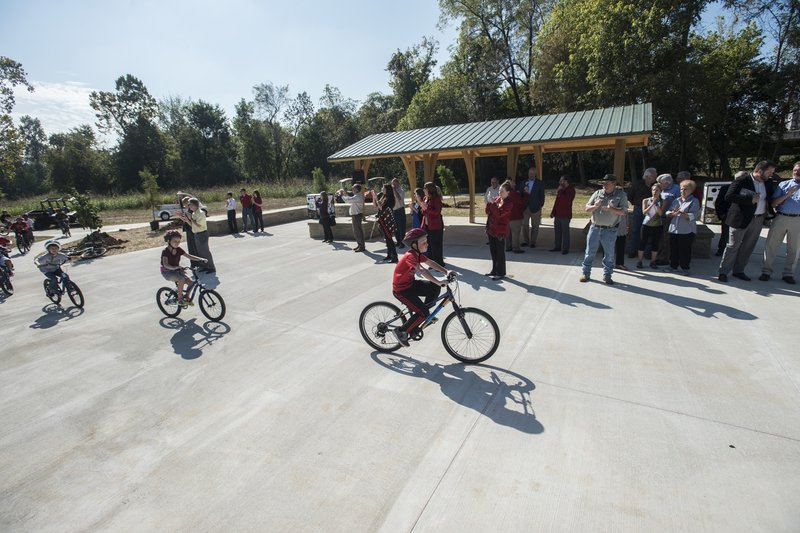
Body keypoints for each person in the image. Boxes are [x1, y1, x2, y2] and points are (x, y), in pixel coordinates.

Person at [391, 228, 454, 347]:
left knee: (434, 287)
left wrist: (446, 271)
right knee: (423, 312)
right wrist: (438, 281)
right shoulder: (410, 255)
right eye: (423, 242)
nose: (427, 244)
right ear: (414, 245)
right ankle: (400, 331)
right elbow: (422, 270)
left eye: (426, 241)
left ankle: (425, 315)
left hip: (410, 285)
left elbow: (430, 263)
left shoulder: (418, 254)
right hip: (401, 290)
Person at [718, 160, 776, 282]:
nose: (771, 175)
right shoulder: (742, 181)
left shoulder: (768, 183)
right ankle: (723, 272)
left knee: (748, 247)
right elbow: (729, 196)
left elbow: (770, 198)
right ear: (760, 171)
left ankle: (739, 270)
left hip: (758, 219)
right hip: (740, 219)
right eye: (769, 172)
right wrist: (750, 200)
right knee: (733, 246)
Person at [580, 174, 627, 285]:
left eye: (607, 183)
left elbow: (623, 212)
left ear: (614, 184)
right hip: (595, 228)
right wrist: (595, 206)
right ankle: (585, 273)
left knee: (609, 254)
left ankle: (607, 275)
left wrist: (612, 208)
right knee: (589, 252)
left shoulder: (621, 195)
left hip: (610, 230)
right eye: (603, 183)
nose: (604, 185)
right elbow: (587, 208)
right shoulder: (597, 194)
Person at [760, 160, 800, 284]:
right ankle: (766, 271)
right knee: (771, 245)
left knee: (794, 248)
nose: (796, 172)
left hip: (798, 219)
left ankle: (788, 274)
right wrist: (788, 194)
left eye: (799, 171)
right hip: (781, 217)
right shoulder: (784, 184)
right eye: (795, 170)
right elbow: (774, 203)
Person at [160, 230, 208, 307]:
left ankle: (186, 297)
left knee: (191, 283)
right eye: (175, 241)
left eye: (179, 241)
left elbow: (189, 256)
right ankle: (180, 300)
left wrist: (201, 259)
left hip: (177, 270)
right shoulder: (165, 251)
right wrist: (175, 267)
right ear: (169, 241)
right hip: (167, 272)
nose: (177, 243)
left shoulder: (178, 249)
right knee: (181, 279)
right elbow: (165, 265)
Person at [665, 179, 700, 275]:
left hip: (686, 230)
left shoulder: (694, 201)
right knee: (673, 249)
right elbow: (668, 212)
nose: (682, 191)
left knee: (684, 250)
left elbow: (693, 216)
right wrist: (671, 213)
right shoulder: (676, 200)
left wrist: (680, 213)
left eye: (685, 189)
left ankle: (685, 268)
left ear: (691, 190)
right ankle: (673, 266)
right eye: (681, 189)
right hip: (674, 229)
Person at [180, 198, 216, 273]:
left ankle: (211, 267)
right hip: (197, 234)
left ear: (195, 205)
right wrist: (186, 220)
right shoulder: (194, 213)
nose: (189, 207)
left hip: (202, 234)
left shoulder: (201, 213)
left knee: (205, 252)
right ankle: (205, 266)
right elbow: (193, 225)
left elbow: (199, 225)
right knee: (200, 252)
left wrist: (191, 219)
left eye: (191, 205)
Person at [627, 168, 657, 257]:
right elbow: (630, 196)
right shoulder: (637, 184)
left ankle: (647, 253)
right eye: (653, 176)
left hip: (651, 210)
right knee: (635, 230)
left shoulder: (655, 186)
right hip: (639, 209)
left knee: (649, 231)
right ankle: (632, 251)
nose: (655, 177)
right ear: (647, 176)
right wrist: (636, 203)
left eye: (655, 176)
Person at [486, 180, 512, 280]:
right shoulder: (497, 199)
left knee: (500, 252)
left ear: (508, 193)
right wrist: (489, 203)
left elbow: (499, 215)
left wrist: (493, 204)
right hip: (492, 229)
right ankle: (494, 270)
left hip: (500, 230)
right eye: (499, 191)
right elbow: (488, 212)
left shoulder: (509, 203)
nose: (499, 193)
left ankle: (500, 272)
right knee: (493, 251)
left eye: (502, 191)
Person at [636, 183, 664, 269]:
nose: (655, 192)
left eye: (657, 190)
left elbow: (660, 213)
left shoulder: (662, 201)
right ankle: (640, 261)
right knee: (642, 242)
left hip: (657, 225)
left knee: (655, 243)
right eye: (653, 190)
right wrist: (651, 204)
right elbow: (644, 212)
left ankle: (653, 261)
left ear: (660, 192)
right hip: (646, 224)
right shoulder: (645, 200)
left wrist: (656, 204)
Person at [655, 174, 679, 265]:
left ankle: (665, 259)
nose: (658, 184)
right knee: (660, 239)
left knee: (666, 239)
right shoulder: (661, 190)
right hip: (660, 217)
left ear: (666, 183)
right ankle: (659, 256)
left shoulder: (677, 189)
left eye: (660, 183)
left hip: (670, 218)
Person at [420, 182, 444, 266]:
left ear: (429, 189)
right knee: (429, 245)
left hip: (435, 225)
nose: (423, 189)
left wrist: (427, 208)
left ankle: (439, 263)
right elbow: (423, 211)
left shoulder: (436, 198)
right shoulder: (425, 198)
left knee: (436, 245)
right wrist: (424, 208)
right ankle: (432, 263)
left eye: (425, 188)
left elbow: (437, 212)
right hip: (427, 225)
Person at [550, 175, 575, 254]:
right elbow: (557, 202)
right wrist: (553, 212)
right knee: (557, 231)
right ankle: (557, 246)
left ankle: (565, 248)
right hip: (558, 214)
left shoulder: (571, 190)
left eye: (561, 180)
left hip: (565, 215)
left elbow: (567, 200)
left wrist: (561, 191)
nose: (560, 182)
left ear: (566, 181)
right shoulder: (560, 190)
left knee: (565, 232)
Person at [521, 167, 545, 247]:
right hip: (525, 208)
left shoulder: (540, 183)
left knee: (535, 226)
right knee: (524, 225)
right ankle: (525, 240)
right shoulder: (523, 182)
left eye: (532, 174)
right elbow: (520, 195)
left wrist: (540, 205)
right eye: (529, 174)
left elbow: (542, 196)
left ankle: (533, 242)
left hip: (536, 208)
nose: (530, 175)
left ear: (535, 174)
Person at [338, 183, 365, 252]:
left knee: (358, 231)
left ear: (356, 189)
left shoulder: (358, 196)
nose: (352, 189)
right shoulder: (356, 196)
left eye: (353, 188)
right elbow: (350, 198)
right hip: (356, 215)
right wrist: (345, 194)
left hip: (357, 215)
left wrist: (342, 195)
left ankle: (361, 246)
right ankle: (359, 245)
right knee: (356, 231)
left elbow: (348, 200)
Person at [377, 184, 399, 263]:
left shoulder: (390, 198)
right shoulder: (384, 196)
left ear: (387, 189)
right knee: (387, 239)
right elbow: (378, 206)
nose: (382, 188)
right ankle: (389, 254)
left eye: (383, 188)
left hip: (388, 220)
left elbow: (383, 208)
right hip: (383, 219)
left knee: (389, 238)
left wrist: (379, 203)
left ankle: (394, 256)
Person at [714, 179, 735, 256]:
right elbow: (718, 202)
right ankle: (721, 250)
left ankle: (733, 252)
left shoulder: (746, 189)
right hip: (727, 215)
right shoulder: (726, 188)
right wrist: (721, 214)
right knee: (725, 234)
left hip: (740, 216)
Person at [506, 177, 527, 253]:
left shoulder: (505, 193)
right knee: (516, 233)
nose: (515, 183)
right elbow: (522, 202)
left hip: (507, 216)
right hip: (515, 216)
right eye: (513, 182)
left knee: (508, 233)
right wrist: (526, 194)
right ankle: (516, 248)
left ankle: (508, 246)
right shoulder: (514, 193)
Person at [391, 178, 406, 249]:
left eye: (395, 183)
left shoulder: (401, 191)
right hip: (394, 210)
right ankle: (398, 241)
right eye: (392, 183)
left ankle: (402, 243)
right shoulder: (392, 191)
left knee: (401, 228)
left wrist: (394, 190)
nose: (394, 185)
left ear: (398, 183)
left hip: (400, 210)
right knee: (395, 228)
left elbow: (399, 198)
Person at [614, 205, 629, 271]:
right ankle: (606, 264)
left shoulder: (623, 199)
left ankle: (619, 264)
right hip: (611, 227)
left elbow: (626, 214)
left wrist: (627, 225)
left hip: (622, 227)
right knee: (608, 247)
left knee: (621, 246)